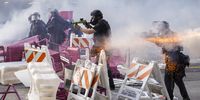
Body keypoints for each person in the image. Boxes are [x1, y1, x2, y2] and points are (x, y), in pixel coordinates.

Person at [75, 9, 115, 90]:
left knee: (103, 66)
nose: (92, 19)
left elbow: (90, 31)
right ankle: (102, 84)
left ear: (97, 17)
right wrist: (87, 25)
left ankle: (106, 85)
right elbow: (94, 28)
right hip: (101, 47)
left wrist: (80, 28)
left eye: (93, 17)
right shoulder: (101, 23)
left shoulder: (102, 23)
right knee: (99, 66)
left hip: (105, 48)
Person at [152, 21, 190, 100]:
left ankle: (170, 98)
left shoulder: (169, 35)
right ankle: (185, 98)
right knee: (178, 82)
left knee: (169, 83)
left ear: (164, 28)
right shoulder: (169, 34)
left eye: (160, 28)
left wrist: (156, 39)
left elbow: (165, 44)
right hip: (174, 62)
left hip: (174, 63)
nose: (159, 30)